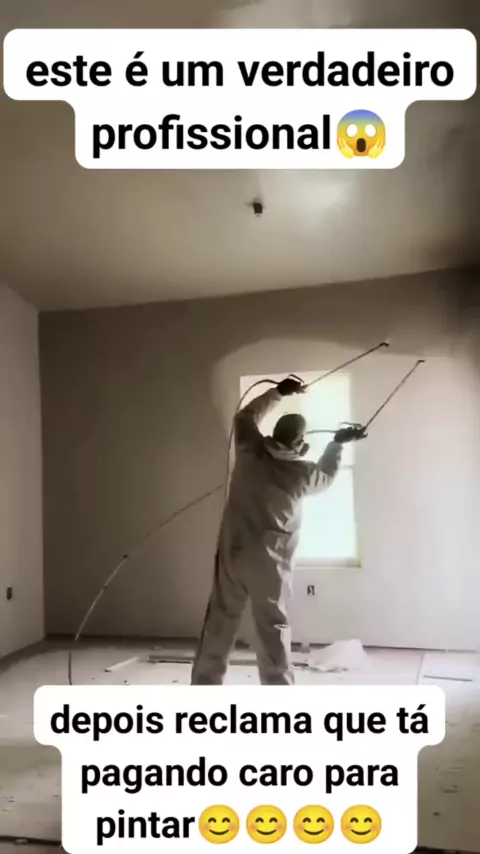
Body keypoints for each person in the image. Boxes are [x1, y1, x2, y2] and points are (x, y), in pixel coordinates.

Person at [191, 377, 366, 686]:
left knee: (220, 621)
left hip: (233, 553)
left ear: (274, 434)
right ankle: (278, 692)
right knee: (271, 627)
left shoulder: (249, 448)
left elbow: (245, 417)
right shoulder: (302, 474)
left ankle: (204, 687)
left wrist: (278, 392)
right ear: (300, 442)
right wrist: (337, 444)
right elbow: (326, 476)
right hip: (269, 562)